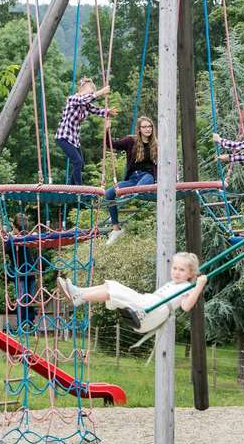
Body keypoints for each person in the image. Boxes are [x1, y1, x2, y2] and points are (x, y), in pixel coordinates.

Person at [58, 251, 207, 335]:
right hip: (148, 303)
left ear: (190, 273)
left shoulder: (188, 287)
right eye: (175, 268)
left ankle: (80, 296)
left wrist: (199, 285)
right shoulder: (174, 283)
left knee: (114, 290)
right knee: (112, 286)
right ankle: (79, 293)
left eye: (182, 270)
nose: (176, 272)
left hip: (152, 311)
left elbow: (186, 307)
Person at [103, 116, 159, 244]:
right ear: (139, 129)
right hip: (132, 178)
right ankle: (116, 229)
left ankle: (131, 193)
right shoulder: (130, 141)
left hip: (147, 176)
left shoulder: (155, 144)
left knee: (139, 188)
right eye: (144, 127)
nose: (147, 129)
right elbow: (111, 144)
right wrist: (107, 130)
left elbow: (162, 164)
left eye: (149, 126)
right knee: (108, 194)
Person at [54, 77, 115, 186]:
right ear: (81, 89)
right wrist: (100, 92)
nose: (90, 95)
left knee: (80, 164)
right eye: (89, 92)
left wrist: (107, 111)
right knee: (77, 162)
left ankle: (71, 187)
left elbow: (96, 110)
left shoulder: (86, 105)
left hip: (73, 139)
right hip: (63, 137)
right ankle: (78, 186)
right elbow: (84, 99)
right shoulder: (73, 99)